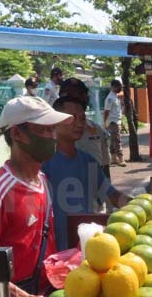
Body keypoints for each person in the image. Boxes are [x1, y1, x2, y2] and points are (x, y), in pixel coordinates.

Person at [0, 95, 73, 297]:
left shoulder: (42, 181)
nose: (51, 137)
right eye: (43, 130)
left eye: (52, 130)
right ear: (17, 134)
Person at [43, 96, 132, 251]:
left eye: (82, 118)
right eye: (72, 118)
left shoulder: (88, 161)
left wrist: (140, 206)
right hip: (54, 250)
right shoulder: (43, 164)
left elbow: (111, 195)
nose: (79, 123)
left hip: (86, 248)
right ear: (55, 122)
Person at [58, 78, 111, 180]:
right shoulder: (50, 131)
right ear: (62, 97)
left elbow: (104, 167)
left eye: (82, 93)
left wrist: (107, 193)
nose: (79, 98)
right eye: (72, 94)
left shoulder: (96, 129)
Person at [104, 79, 126, 167]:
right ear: (113, 87)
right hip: (113, 122)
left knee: (113, 140)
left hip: (116, 121)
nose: (120, 88)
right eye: (118, 87)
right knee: (117, 140)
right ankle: (121, 159)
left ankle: (113, 159)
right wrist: (105, 122)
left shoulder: (116, 96)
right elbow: (106, 111)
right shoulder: (110, 98)